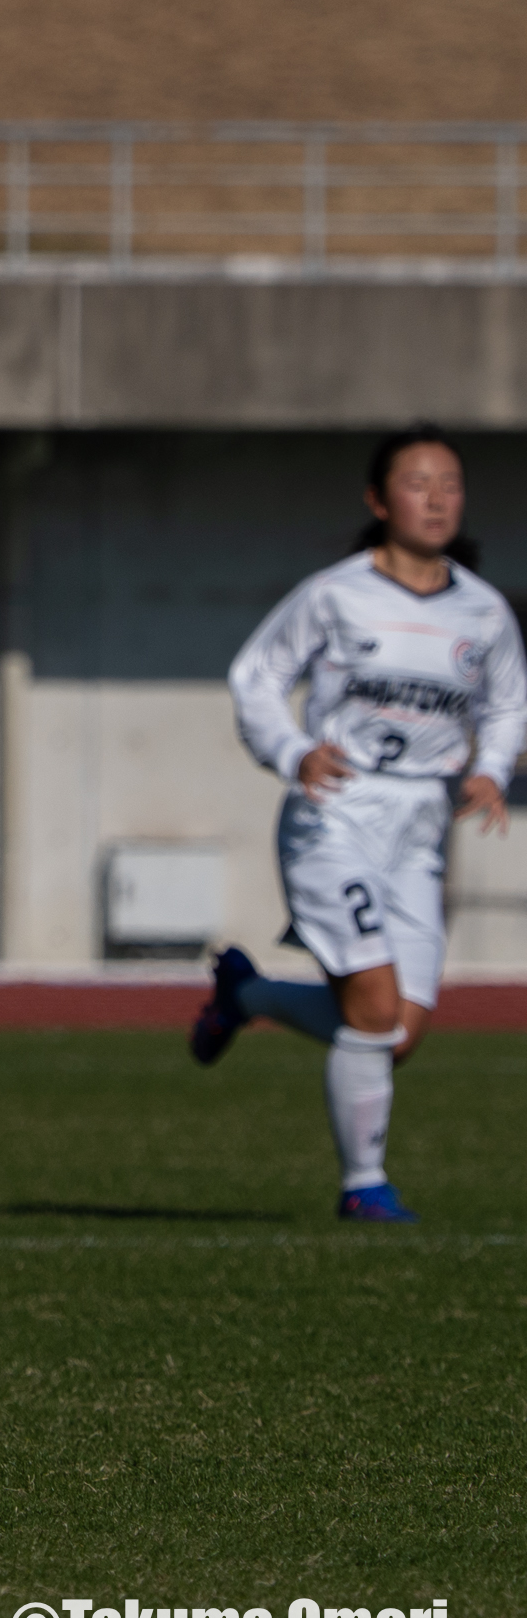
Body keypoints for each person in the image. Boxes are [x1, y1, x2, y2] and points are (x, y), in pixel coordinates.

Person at [191, 423, 525, 1221]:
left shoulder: (483, 611)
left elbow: (508, 702)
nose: (436, 498)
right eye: (418, 482)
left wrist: (491, 767)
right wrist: (292, 750)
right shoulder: (335, 594)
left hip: (421, 824)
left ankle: (249, 995)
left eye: (450, 484)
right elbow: (256, 675)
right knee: (372, 1009)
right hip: (336, 812)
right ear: (379, 500)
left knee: (397, 1033)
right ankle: (365, 1187)